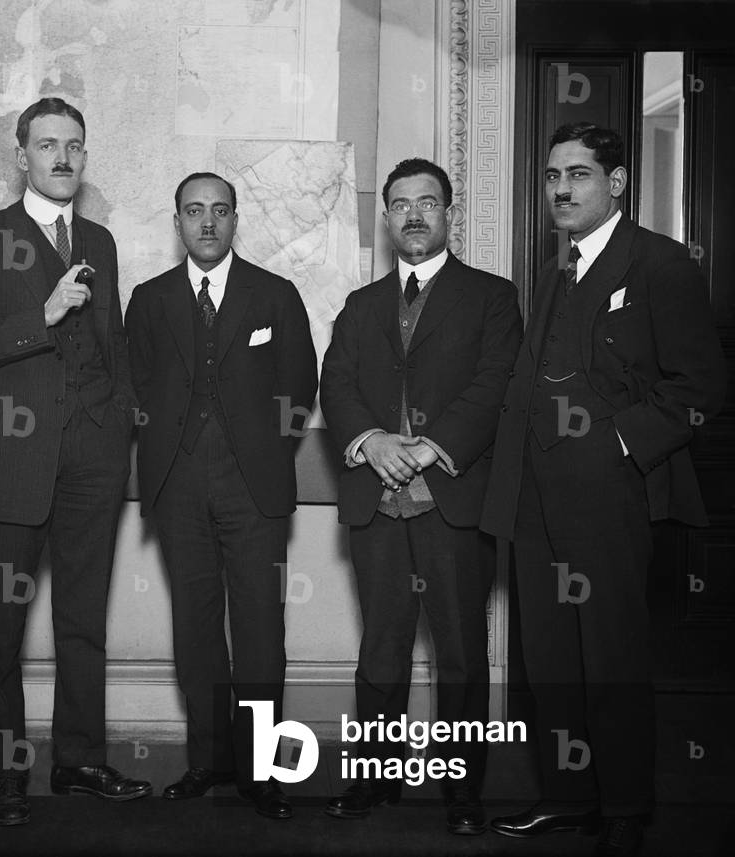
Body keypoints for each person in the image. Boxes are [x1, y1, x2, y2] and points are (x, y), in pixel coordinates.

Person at [481, 122, 727, 857]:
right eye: (554, 174)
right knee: (549, 658)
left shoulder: (659, 263)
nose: (561, 188)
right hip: (536, 497)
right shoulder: (558, 265)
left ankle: (624, 805)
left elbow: (701, 386)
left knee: (611, 656)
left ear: (616, 184)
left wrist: (620, 441)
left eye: (579, 174)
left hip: (611, 498)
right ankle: (566, 798)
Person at [0, 97, 149, 827]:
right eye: (47, 144)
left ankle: (79, 760)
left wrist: (119, 424)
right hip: (13, 460)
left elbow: (114, 345)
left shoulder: (102, 239)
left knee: (83, 620)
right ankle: (7, 775)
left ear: (84, 158)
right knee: (3, 627)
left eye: (74, 146)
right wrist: (44, 315)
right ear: (20, 155)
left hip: (94, 456)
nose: (63, 157)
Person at [319, 158, 522, 834]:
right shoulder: (359, 306)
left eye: (427, 203)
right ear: (386, 216)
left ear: (448, 212)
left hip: (452, 501)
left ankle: (462, 789)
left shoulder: (492, 297)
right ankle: (374, 776)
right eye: (401, 203)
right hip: (375, 504)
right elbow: (336, 384)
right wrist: (372, 440)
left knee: (460, 652)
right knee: (380, 648)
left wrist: (432, 448)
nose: (413, 215)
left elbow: (497, 383)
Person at [125, 172, 317, 819]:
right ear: (176, 220)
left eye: (219, 211)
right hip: (177, 489)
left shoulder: (276, 295)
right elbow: (138, 387)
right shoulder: (148, 300)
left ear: (236, 219)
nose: (207, 222)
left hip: (254, 491)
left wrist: (267, 457)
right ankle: (208, 761)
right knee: (196, 632)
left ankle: (263, 771)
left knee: (261, 631)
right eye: (193, 211)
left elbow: (299, 387)